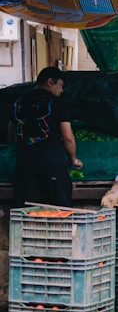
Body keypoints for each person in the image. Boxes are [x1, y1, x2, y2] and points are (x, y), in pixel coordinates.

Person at [7, 67, 83, 207]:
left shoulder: (18, 103)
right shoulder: (57, 103)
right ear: (50, 82)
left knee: (27, 212)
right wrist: (73, 159)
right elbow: (68, 138)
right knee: (61, 210)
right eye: (60, 86)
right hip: (52, 163)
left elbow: (11, 134)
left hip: (25, 164)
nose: (61, 91)